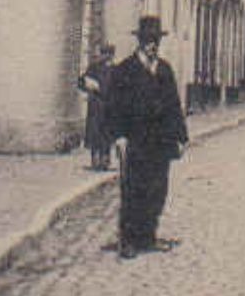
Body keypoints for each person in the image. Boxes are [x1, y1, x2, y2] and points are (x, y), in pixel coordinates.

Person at [104, 16, 188, 258]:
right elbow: (114, 107)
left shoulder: (164, 69)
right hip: (135, 140)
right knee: (133, 189)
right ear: (139, 42)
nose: (153, 46)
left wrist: (181, 137)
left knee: (157, 189)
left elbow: (174, 105)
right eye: (148, 41)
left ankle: (148, 235)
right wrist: (118, 136)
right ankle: (128, 239)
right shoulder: (124, 70)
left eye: (155, 41)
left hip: (161, 141)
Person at [77, 43, 117, 170]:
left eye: (107, 54)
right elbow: (81, 82)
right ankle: (94, 159)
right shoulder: (94, 68)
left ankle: (105, 160)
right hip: (95, 106)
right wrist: (88, 84)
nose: (104, 56)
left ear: (112, 55)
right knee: (94, 134)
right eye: (103, 53)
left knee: (106, 135)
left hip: (109, 107)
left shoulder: (116, 70)